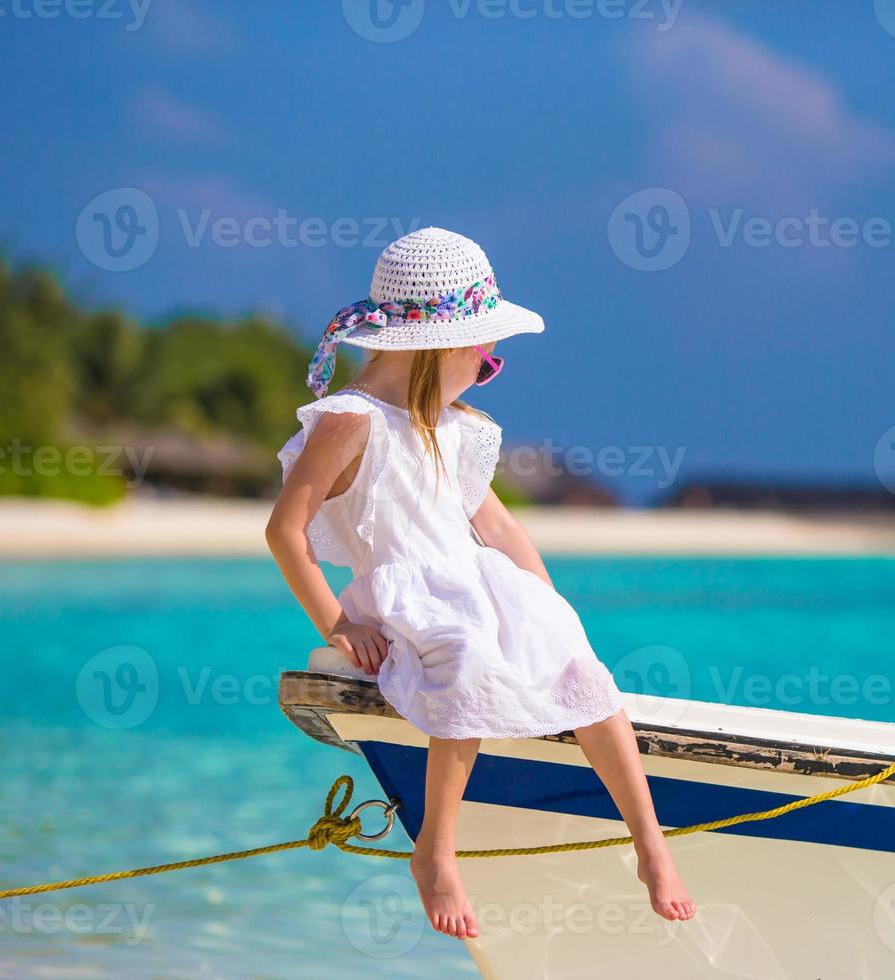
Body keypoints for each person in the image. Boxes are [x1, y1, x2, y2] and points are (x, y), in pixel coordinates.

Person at [266, 227, 695, 939]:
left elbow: (499, 531)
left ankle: (649, 843)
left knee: (580, 664)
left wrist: (544, 604)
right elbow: (286, 530)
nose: (489, 368)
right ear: (443, 348)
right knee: (463, 660)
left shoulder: (454, 427)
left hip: (474, 581)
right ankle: (435, 850)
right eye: (486, 359)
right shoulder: (350, 421)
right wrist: (338, 625)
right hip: (403, 591)